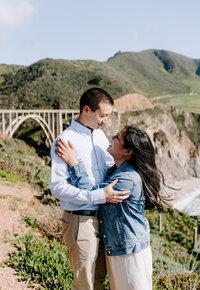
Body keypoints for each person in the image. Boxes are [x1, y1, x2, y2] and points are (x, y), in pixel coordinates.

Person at [55, 125, 171, 290]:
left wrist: (74, 162)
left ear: (127, 152)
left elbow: (91, 192)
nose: (112, 138)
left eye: (117, 138)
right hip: (121, 250)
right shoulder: (116, 172)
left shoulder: (126, 179)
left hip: (129, 254)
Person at [50, 87, 129, 290]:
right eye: (102, 115)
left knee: (99, 280)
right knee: (85, 284)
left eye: (108, 116)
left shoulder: (101, 137)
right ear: (86, 109)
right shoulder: (64, 141)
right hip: (81, 219)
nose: (105, 121)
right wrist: (98, 195)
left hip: (104, 219)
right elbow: (57, 187)